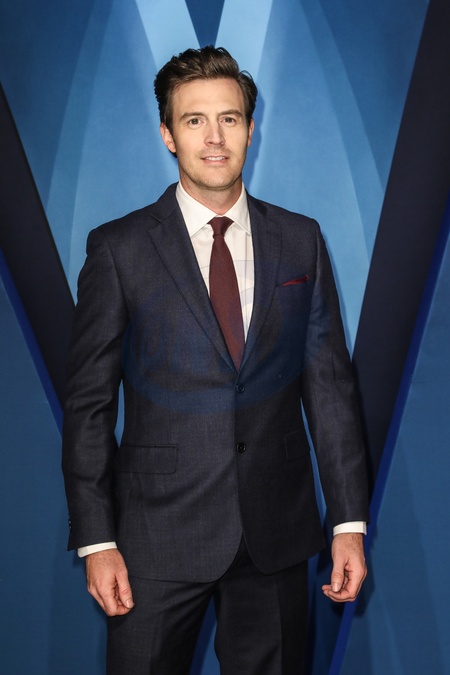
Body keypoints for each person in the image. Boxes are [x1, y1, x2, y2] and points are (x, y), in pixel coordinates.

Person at [62, 46, 369, 675]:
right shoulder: (119, 249)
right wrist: (97, 539)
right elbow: (89, 405)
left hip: (277, 538)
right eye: (194, 120)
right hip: (154, 542)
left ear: (251, 129)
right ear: (167, 134)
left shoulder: (301, 239)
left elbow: (330, 391)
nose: (214, 137)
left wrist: (348, 524)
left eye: (229, 119)